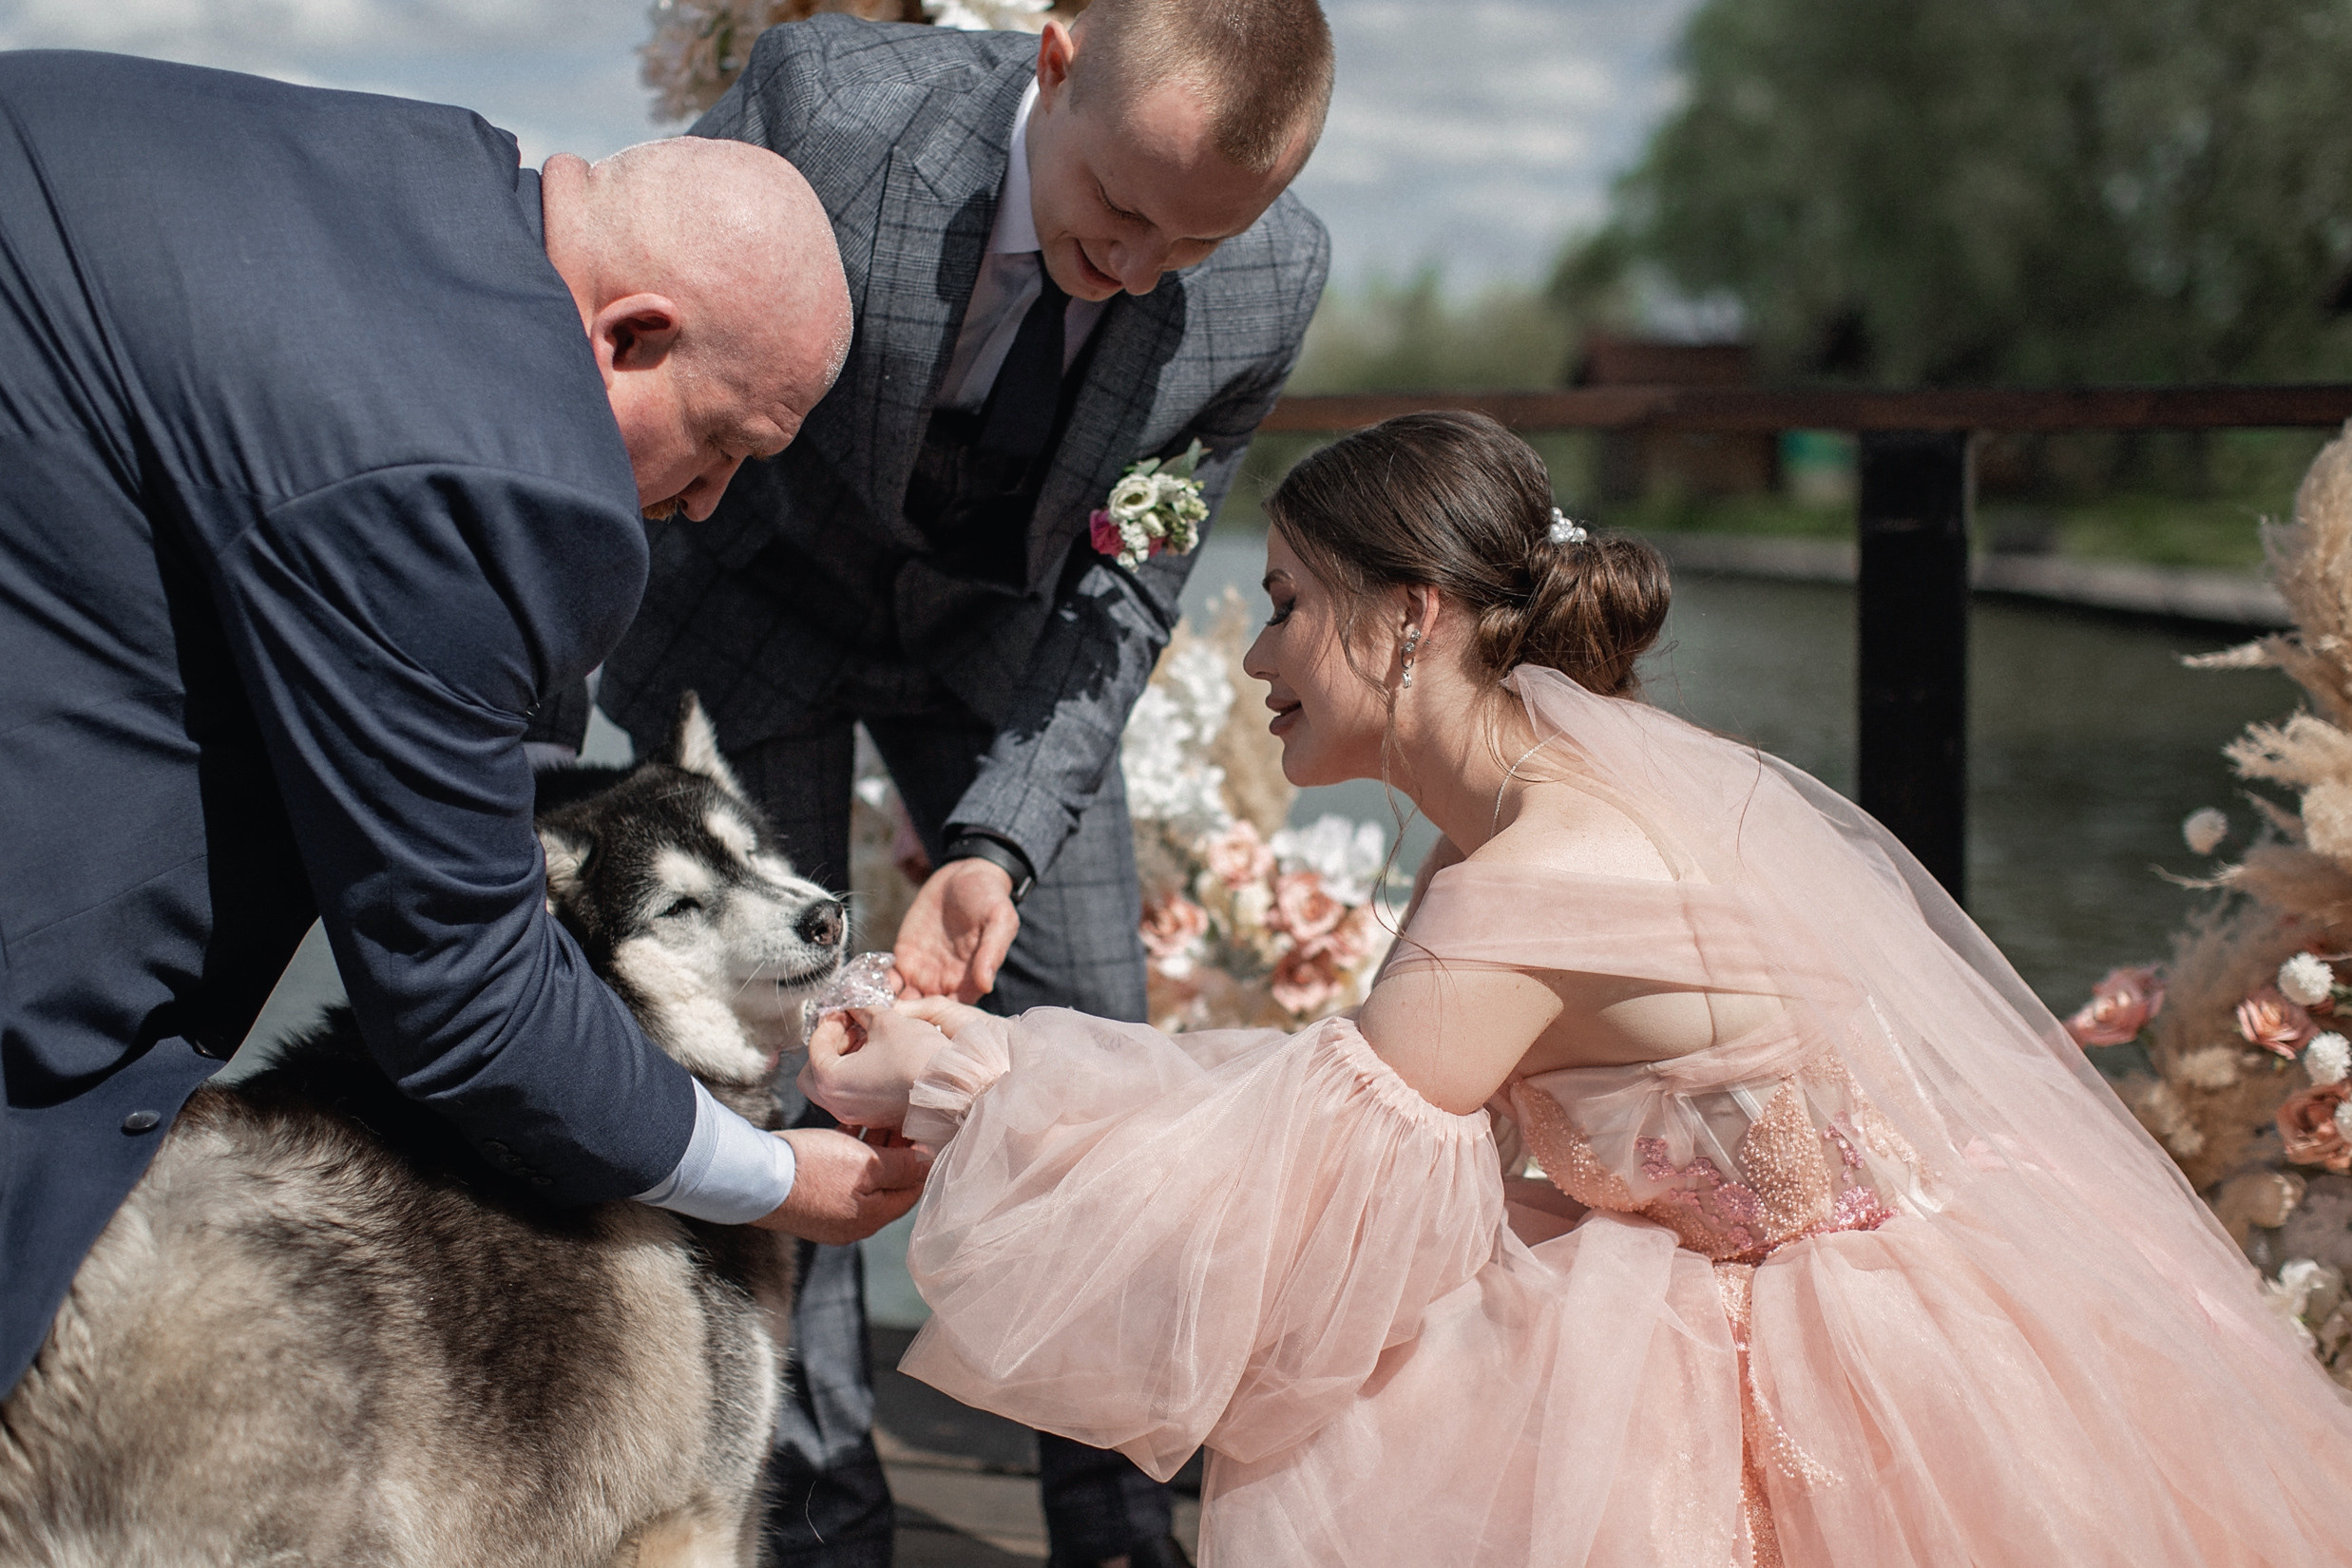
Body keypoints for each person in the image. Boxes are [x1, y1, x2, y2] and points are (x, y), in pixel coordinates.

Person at [805, 411, 2352, 1564]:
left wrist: (960, 1080)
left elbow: (1282, 1203)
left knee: (1355, 1406)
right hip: (1926, 1276)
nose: (1260, 652)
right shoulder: (1563, 798)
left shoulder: (1525, 884)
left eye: (1285, 602)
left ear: (1410, 616)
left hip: (1856, 1367)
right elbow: (1335, 1114)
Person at [0, 50, 927, 1407]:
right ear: (634, 335)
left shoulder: (434, 174)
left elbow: (431, 712)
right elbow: (460, 989)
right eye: (724, 444)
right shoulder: (510, 478)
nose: (708, 503)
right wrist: (772, 1175)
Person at [583, 5, 1333, 1562]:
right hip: (740, 601)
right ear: (1053, 65)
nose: (1139, 268)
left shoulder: (1269, 277)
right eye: (1116, 207)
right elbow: (622, 373)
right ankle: (826, 1519)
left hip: (1004, 650)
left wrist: (995, 841)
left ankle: (1116, 1524)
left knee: (1100, 1065)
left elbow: (1132, 579)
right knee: (774, 1057)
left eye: (1189, 243)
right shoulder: (825, 112)